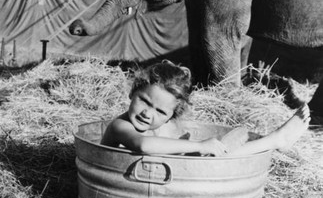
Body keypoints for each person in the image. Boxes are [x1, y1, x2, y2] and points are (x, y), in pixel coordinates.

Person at [101, 60, 310, 156]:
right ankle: (274, 140)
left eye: (161, 111)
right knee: (217, 155)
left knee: (216, 153)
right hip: (138, 188)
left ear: (171, 115)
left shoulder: (165, 125)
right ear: (132, 92)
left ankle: (240, 145)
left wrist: (200, 148)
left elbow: (178, 144)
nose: (148, 113)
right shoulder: (121, 126)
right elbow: (144, 146)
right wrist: (201, 146)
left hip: (169, 183)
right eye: (145, 101)